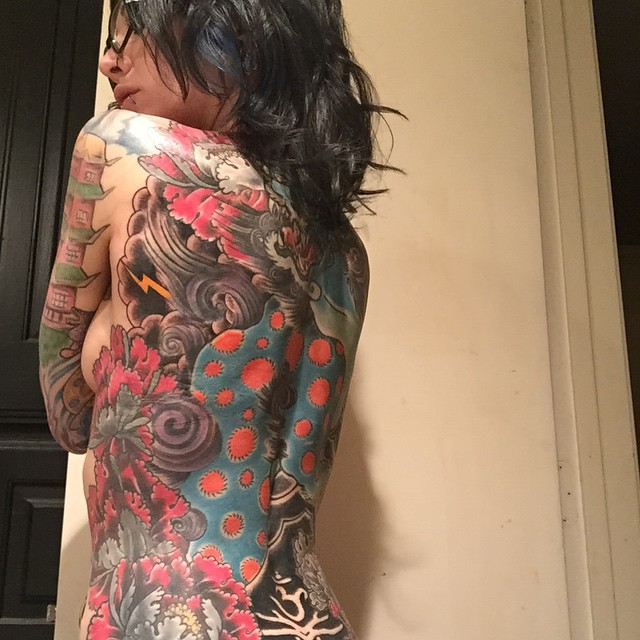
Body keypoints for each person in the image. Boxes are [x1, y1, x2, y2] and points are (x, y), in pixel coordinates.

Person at [39, 0, 397, 638]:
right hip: (310, 617)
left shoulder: (119, 145)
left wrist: (101, 346)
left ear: (226, 29)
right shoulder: (345, 252)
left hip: (175, 614)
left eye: (131, 30)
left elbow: (68, 418)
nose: (110, 60)